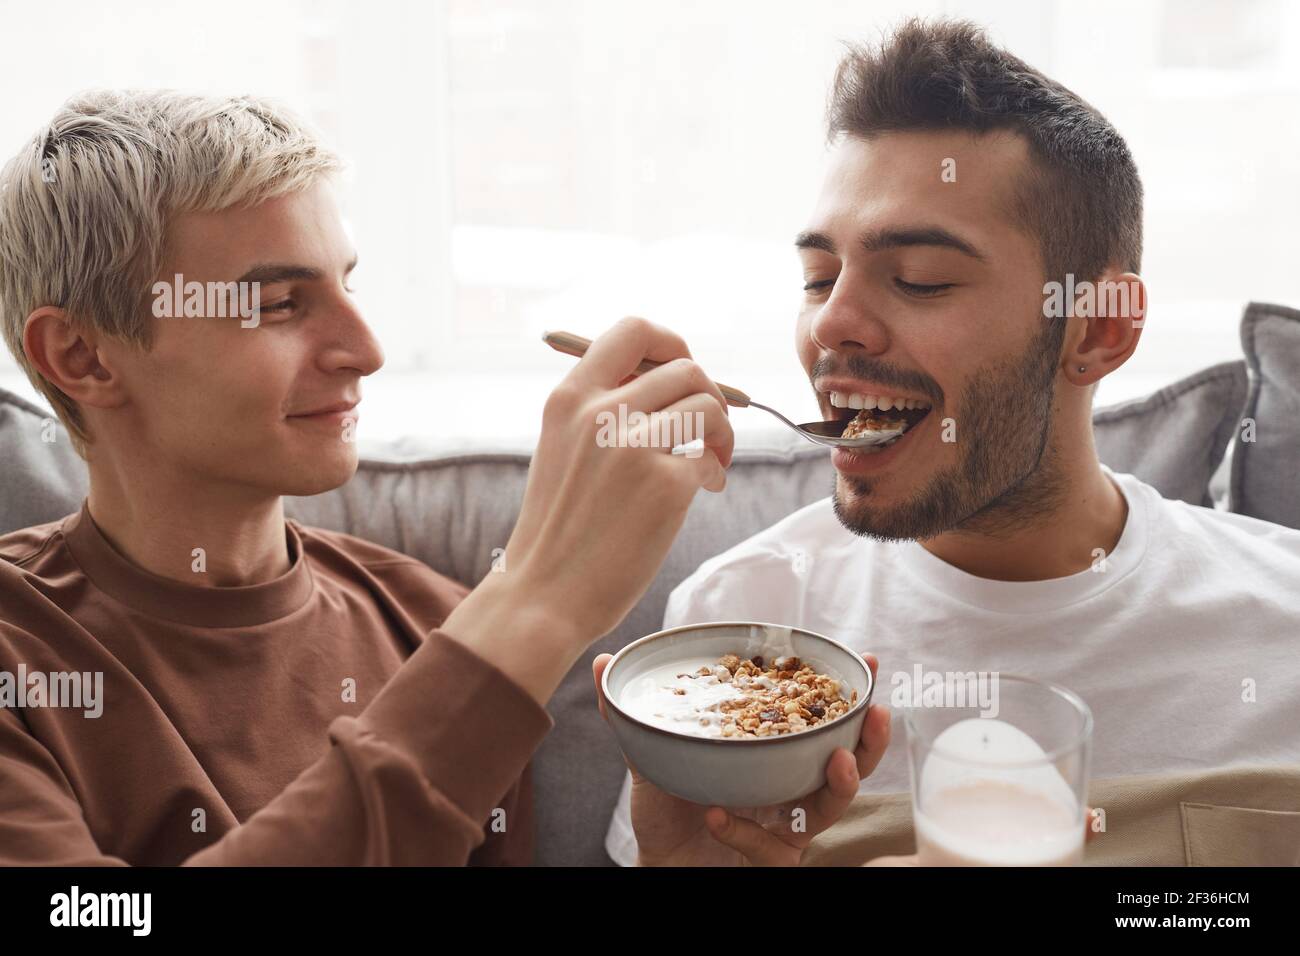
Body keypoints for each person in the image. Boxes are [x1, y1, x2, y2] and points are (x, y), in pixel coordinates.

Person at [0, 90, 856, 865]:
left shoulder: (425, 622)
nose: (365, 351)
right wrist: (534, 602)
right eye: (277, 304)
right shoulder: (21, 659)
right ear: (80, 356)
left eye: (346, 285)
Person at [603, 17, 1300, 866]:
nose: (833, 322)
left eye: (920, 280)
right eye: (819, 277)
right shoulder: (740, 629)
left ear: (1098, 330)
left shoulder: (1281, 635)